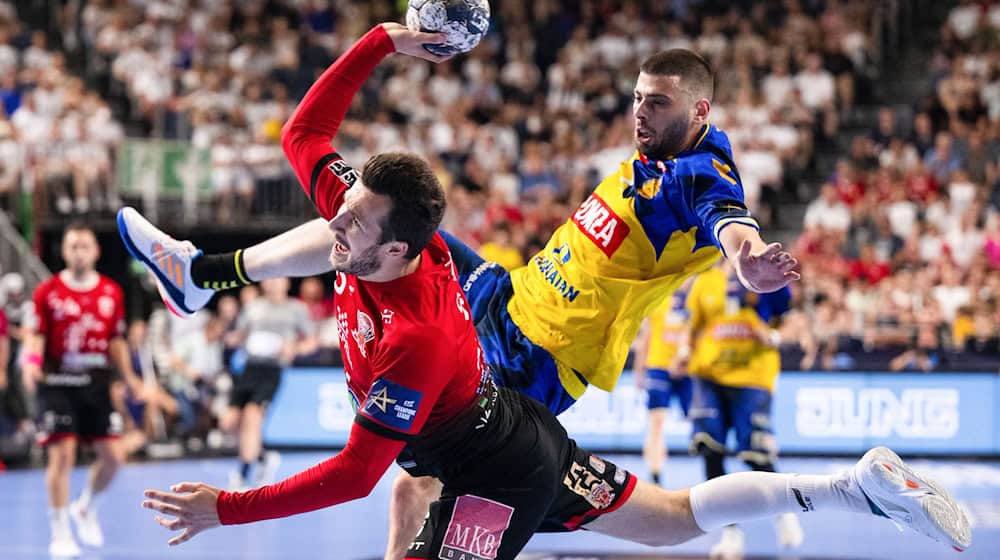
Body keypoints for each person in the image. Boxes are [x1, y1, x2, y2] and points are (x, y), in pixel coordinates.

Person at [136, 23, 970, 559]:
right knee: (667, 521)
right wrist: (389, 36)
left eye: (658, 103)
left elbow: (728, 219)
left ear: (700, 108)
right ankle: (201, 276)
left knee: (418, 475)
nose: (640, 114)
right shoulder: (399, 235)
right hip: (511, 294)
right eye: (637, 100)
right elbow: (308, 138)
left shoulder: (698, 174)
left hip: (539, 364)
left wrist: (746, 258)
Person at [24, 223, 145, 556]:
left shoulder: (110, 292)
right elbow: (37, 334)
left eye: (85, 246)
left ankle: (85, 507)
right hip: (58, 382)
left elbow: (116, 341)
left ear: (96, 251)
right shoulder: (47, 292)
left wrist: (131, 378)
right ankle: (60, 531)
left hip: (97, 382)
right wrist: (32, 361)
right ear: (64, 251)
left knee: (114, 458)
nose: (79, 252)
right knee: (62, 454)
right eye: (72, 246)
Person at [683, 259, 802, 557]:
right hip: (708, 375)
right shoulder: (706, 280)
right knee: (710, 449)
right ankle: (730, 533)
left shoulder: (766, 277)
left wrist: (774, 336)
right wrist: (684, 353)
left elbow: (793, 322)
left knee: (756, 453)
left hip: (752, 376)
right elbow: (694, 326)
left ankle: (785, 514)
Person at [222, 277, 314, 490]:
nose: (273, 283)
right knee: (229, 423)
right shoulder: (252, 307)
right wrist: (229, 335)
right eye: (269, 278)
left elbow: (311, 342)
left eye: (278, 278)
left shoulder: (296, 309)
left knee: (253, 418)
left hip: (272, 369)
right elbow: (240, 336)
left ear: (287, 282)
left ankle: (243, 475)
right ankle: (262, 458)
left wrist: (294, 349)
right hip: (249, 368)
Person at [632, 281, 693, 487]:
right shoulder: (659, 299)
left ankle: (712, 474)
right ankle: (656, 475)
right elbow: (647, 337)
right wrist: (639, 369)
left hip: (688, 368)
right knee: (656, 422)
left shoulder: (695, 300)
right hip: (658, 366)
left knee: (697, 422)